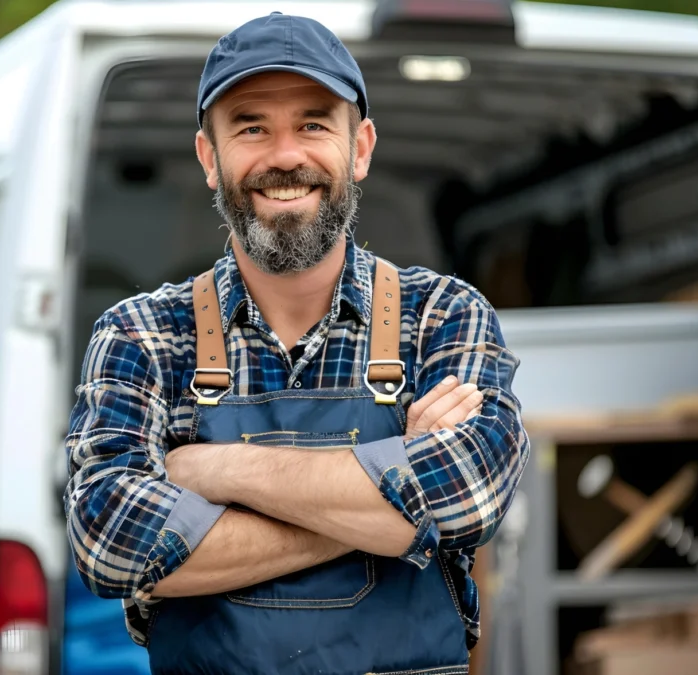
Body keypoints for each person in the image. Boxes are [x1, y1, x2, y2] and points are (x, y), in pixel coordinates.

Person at [64, 12, 531, 674]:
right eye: (251, 126)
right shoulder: (141, 334)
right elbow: (111, 542)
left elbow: (468, 498)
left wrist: (214, 472)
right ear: (209, 156)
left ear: (360, 147)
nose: (285, 156)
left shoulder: (445, 316)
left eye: (314, 123)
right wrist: (388, 507)